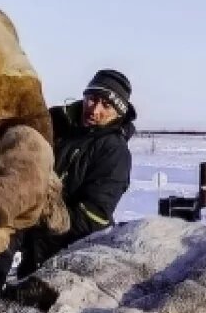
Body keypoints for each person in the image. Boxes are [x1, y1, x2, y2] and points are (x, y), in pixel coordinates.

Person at [17, 69, 137, 276]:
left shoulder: (114, 152)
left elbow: (94, 216)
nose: (95, 109)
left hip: (74, 253)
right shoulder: (54, 122)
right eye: (92, 99)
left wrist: (43, 214)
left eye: (106, 105)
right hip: (30, 239)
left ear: (119, 112)